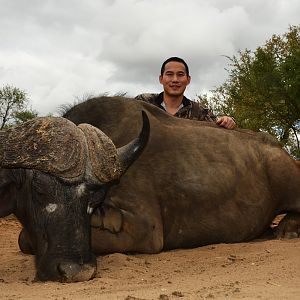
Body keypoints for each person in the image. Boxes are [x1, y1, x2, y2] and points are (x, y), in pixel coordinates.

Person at [135, 57, 236, 129]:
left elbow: (218, 126)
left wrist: (228, 120)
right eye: (169, 74)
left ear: (188, 80)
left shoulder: (200, 112)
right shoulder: (142, 102)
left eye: (180, 75)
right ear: (161, 79)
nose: (175, 80)